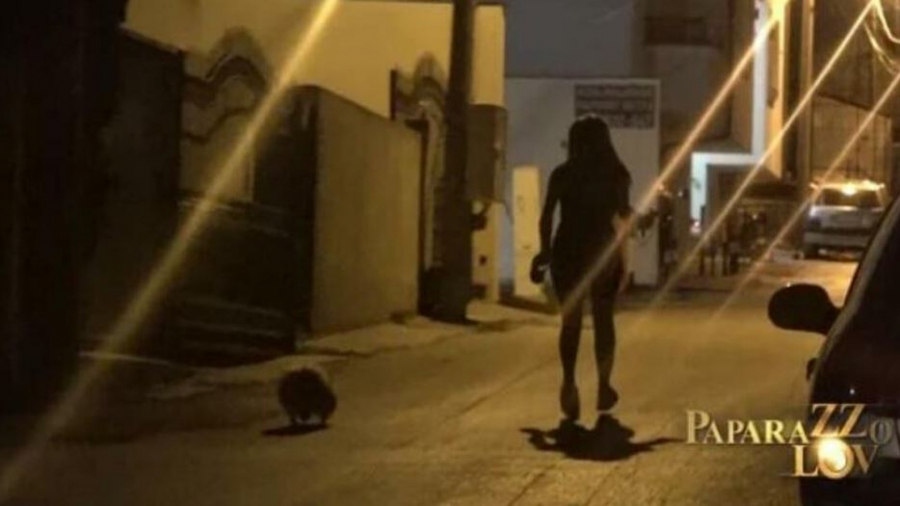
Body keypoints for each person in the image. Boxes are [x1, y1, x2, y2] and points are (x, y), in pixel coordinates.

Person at [530, 116, 632, 421]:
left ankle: (569, 383)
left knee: (570, 321)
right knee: (603, 319)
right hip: (602, 249)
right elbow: (623, 213)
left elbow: (547, 217)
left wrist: (545, 251)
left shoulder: (563, 173)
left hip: (568, 249)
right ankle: (603, 386)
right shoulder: (617, 174)